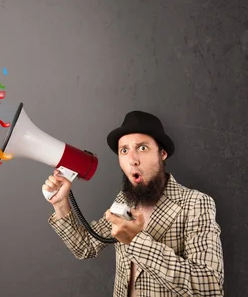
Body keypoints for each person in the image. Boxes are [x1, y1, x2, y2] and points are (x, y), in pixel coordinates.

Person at [44, 110, 224, 296]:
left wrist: (136, 241)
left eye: (142, 148)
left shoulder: (196, 203)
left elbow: (209, 288)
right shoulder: (125, 200)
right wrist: (60, 204)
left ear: (162, 153)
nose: (132, 160)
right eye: (124, 150)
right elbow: (85, 247)